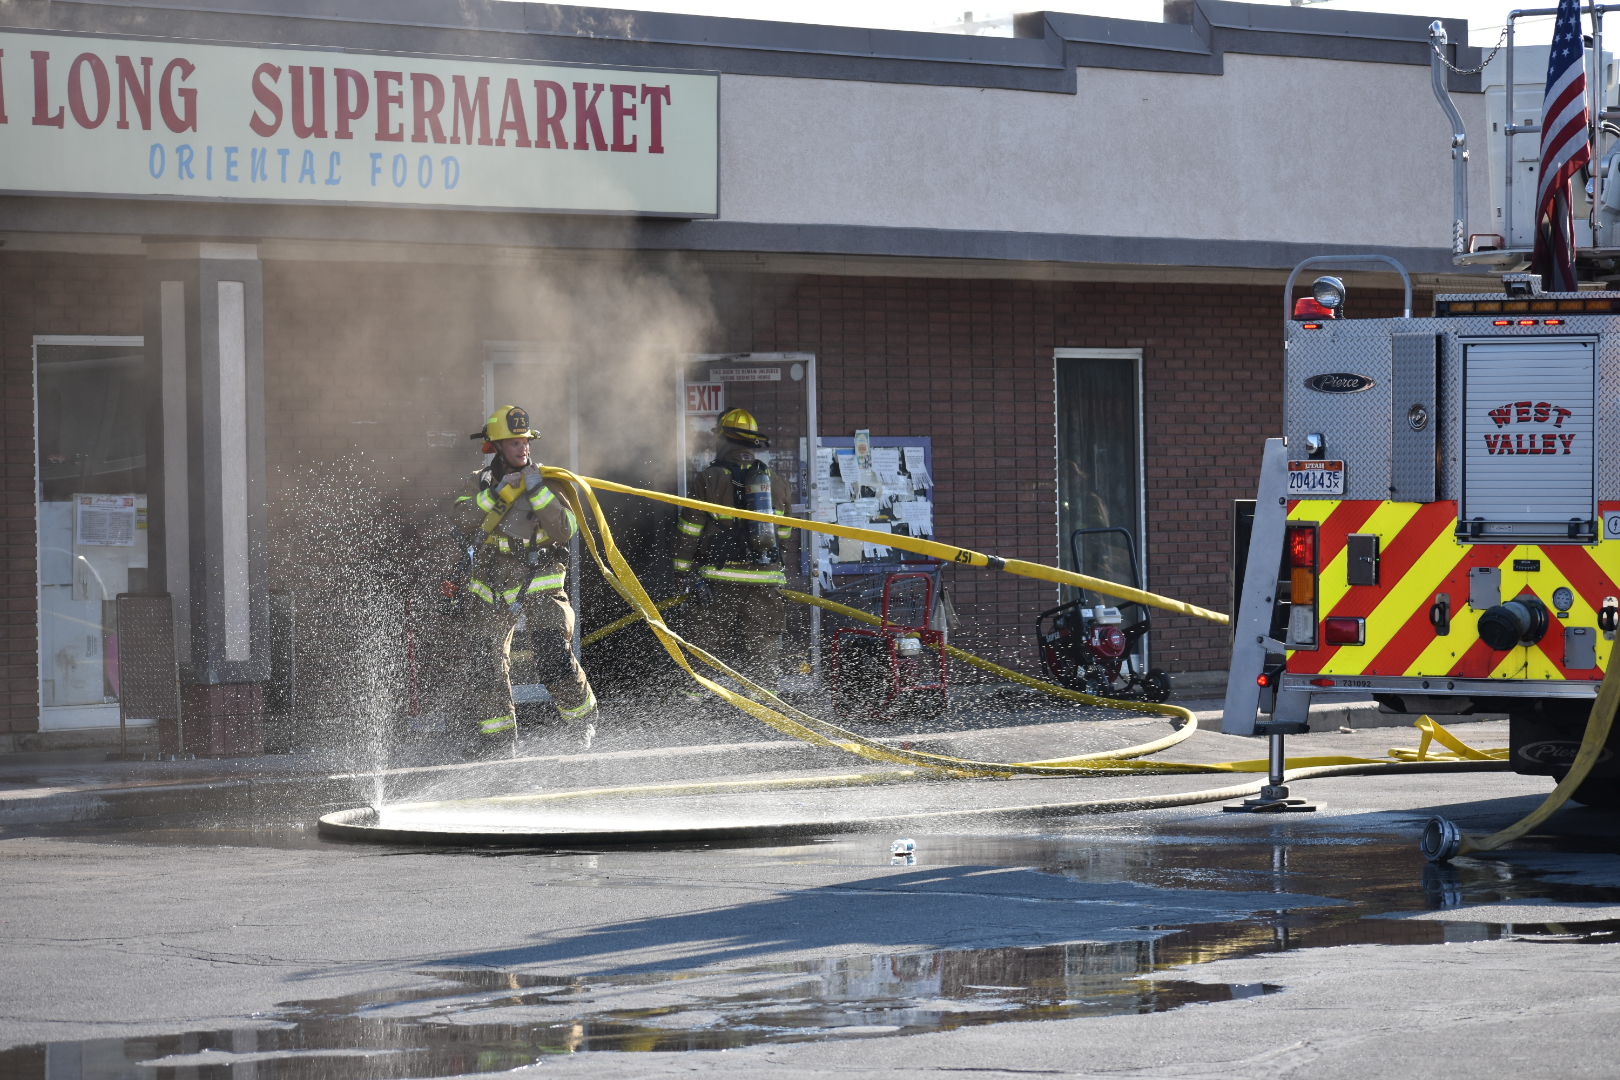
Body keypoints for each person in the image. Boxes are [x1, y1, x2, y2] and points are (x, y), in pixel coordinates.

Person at [440, 405, 597, 756]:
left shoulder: (548, 480)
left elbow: (565, 529)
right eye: (514, 443)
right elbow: (461, 518)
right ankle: (499, 744)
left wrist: (537, 490)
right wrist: (498, 493)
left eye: (525, 441)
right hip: (491, 582)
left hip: (539, 578)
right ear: (496, 446)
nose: (522, 448)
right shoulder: (480, 481)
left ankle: (581, 725)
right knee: (486, 666)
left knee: (552, 655)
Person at [672, 407, 795, 694]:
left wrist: (681, 572)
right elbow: (785, 537)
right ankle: (766, 708)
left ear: (723, 440)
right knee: (764, 656)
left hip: (719, 582)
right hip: (766, 583)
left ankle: (694, 704)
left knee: (703, 650)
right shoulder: (777, 483)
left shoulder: (710, 479)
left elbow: (689, 530)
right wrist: (774, 572)